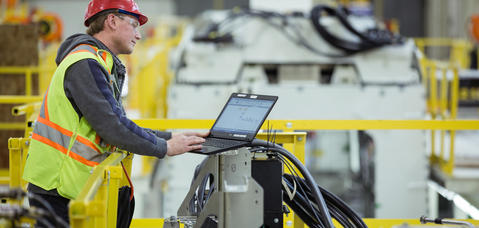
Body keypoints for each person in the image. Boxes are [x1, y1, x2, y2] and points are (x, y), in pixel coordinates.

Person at [22, 0, 207, 226]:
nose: (138, 35)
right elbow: (113, 127)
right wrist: (165, 147)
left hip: (70, 187)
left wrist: (170, 137)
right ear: (112, 21)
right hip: (57, 190)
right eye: (134, 25)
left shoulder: (99, 62)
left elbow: (117, 122)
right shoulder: (85, 64)